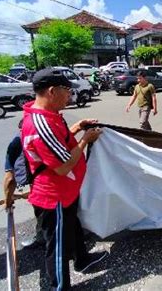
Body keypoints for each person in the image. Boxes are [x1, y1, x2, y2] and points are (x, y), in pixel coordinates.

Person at [21, 68, 104, 290]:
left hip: (66, 191)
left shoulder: (51, 116)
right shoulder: (41, 125)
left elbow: (61, 142)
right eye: (67, 91)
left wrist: (78, 128)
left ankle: (83, 260)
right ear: (52, 91)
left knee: (74, 227)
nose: (70, 96)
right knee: (57, 246)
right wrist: (86, 139)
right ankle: (60, 286)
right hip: (53, 195)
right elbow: (63, 165)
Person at [3, 119, 44, 249]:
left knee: (44, 216)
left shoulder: (17, 142)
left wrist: (7, 200)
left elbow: (10, 179)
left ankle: (44, 241)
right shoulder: (46, 135)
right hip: (58, 184)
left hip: (41, 189)